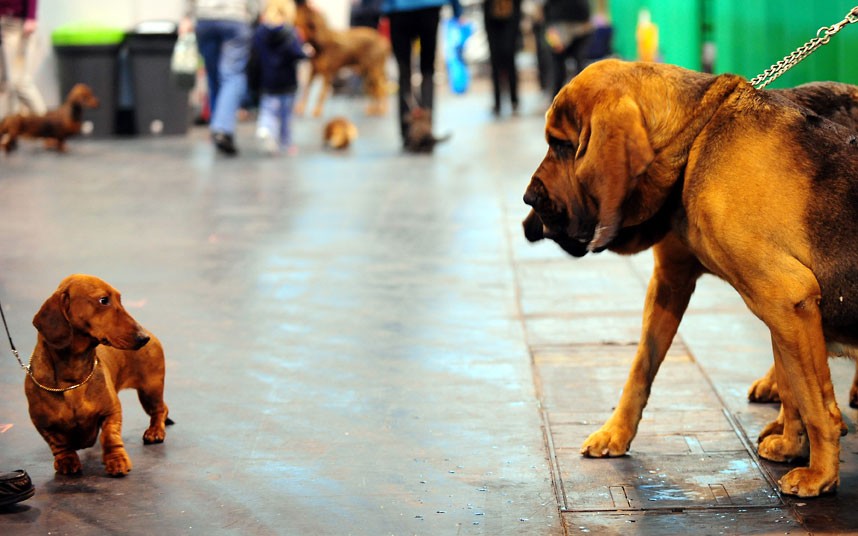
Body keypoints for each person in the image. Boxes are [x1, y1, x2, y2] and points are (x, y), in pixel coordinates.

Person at [381, 0, 463, 151]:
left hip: (399, 10)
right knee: (427, 70)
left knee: (404, 73)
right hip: (428, 8)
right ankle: (425, 131)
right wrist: (457, 9)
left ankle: (408, 134)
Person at [183, 0, 258, 156]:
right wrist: (251, 15)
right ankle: (222, 129)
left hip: (205, 19)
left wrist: (187, 16)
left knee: (214, 75)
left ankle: (217, 128)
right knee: (232, 75)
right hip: (235, 18)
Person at [247, 0, 307, 155]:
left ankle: (265, 129)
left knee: (268, 111)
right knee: (286, 116)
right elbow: (297, 53)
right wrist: (306, 52)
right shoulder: (291, 32)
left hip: (268, 81)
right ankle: (286, 143)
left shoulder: (260, 32)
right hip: (287, 82)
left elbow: (255, 54)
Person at [0, 0, 47, 118]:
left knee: (20, 83)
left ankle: (48, 125)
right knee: (6, 84)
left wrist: (31, 16)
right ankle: (10, 131)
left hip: (16, 25)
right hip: (5, 23)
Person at [542, 0, 591, 98]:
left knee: (558, 65)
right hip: (576, 20)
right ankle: (583, 97)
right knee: (579, 64)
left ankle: (556, 100)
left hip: (560, 23)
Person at [483, 0, 521, 116]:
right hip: (491, 14)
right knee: (495, 59)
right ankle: (497, 101)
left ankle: (514, 99)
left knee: (509, 55)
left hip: (510, 13)